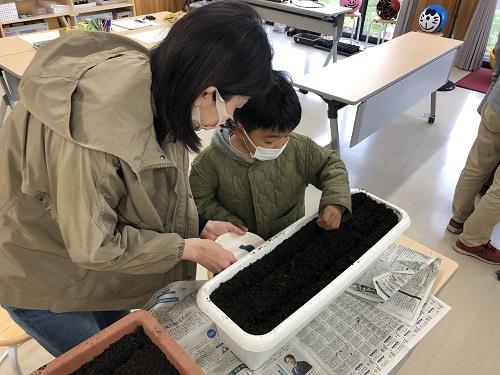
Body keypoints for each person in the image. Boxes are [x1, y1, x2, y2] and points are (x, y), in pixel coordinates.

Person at [0, 1, 273, 357]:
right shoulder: (98, 132)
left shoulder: (163, 92)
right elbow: (95, 245)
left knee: (123, 337)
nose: (228, 119)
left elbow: (141, 191)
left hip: (89, 260)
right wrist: (184, 247)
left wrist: (200, 226)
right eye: (235, 107)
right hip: (40, 268)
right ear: (209, 92)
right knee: (106, 359)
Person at [189, 71, 351, 240]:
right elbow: (199, 201)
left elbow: (331, 165)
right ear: (239, 127)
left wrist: (335, 201)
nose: (280, 144)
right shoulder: (208, 163)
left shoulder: (299, 147)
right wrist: (229, 221)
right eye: (269, 140)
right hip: (237, 247)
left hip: (288, 238)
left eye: (286, 135)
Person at [447, 32, 500, 264]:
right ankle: (472, 240)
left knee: (476, 165)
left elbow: (497, 56)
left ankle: (458, 219)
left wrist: (490, 96)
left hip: (497, 105)